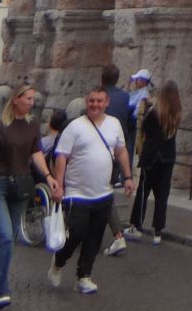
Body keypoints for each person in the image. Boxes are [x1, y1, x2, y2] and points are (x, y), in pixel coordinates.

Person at [0, 82, 61, 311]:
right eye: (27, 98)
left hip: (21, 189)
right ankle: (0, 292)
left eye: (33, 99)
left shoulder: (33, 125)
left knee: (3, 241)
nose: (31, 103)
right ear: (15, 99)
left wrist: (48, 176)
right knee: (5, 237)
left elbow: (36, 152)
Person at [49, 84, 134, 295]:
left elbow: (121, 151)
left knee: (94, 237)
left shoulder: (114, 124)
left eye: (99, 101)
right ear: (87, 102)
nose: (94, 104)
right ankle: (59, 262)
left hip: (103, 192)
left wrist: (128, 176)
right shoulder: (75, 126)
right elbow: (62, 156)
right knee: (76, 233)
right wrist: (59, 185)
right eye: (91, 101)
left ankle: (84, 276)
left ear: (106, 103)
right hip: (77, 193)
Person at [126, 79, 181, 243]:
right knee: (162, 195)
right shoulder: (176, 112)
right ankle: (158, 231)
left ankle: (136, 225)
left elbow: (144, 129)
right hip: (168, 157)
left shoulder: (154, 112)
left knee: (143, 191)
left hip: (151, 156)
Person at [98, 64, 132, 258]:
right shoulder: (125, 97)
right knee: (104, 190)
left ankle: (118, 235)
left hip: (99, 150)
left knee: (101, 193)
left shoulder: (97, 97)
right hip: (117, 150)